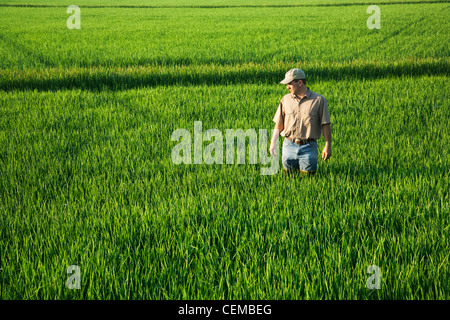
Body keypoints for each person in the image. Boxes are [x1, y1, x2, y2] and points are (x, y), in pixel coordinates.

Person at [269, 68, 332, 176]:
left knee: (308, 180)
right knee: (289, 179)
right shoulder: (285, 99)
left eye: (289, 83)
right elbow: (279, 124)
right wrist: (273, 142)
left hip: (309, 147)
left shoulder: (319, 100)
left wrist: (328, 146)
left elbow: (325, 124)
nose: (287, 87)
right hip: (288, 146)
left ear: (300, 82)